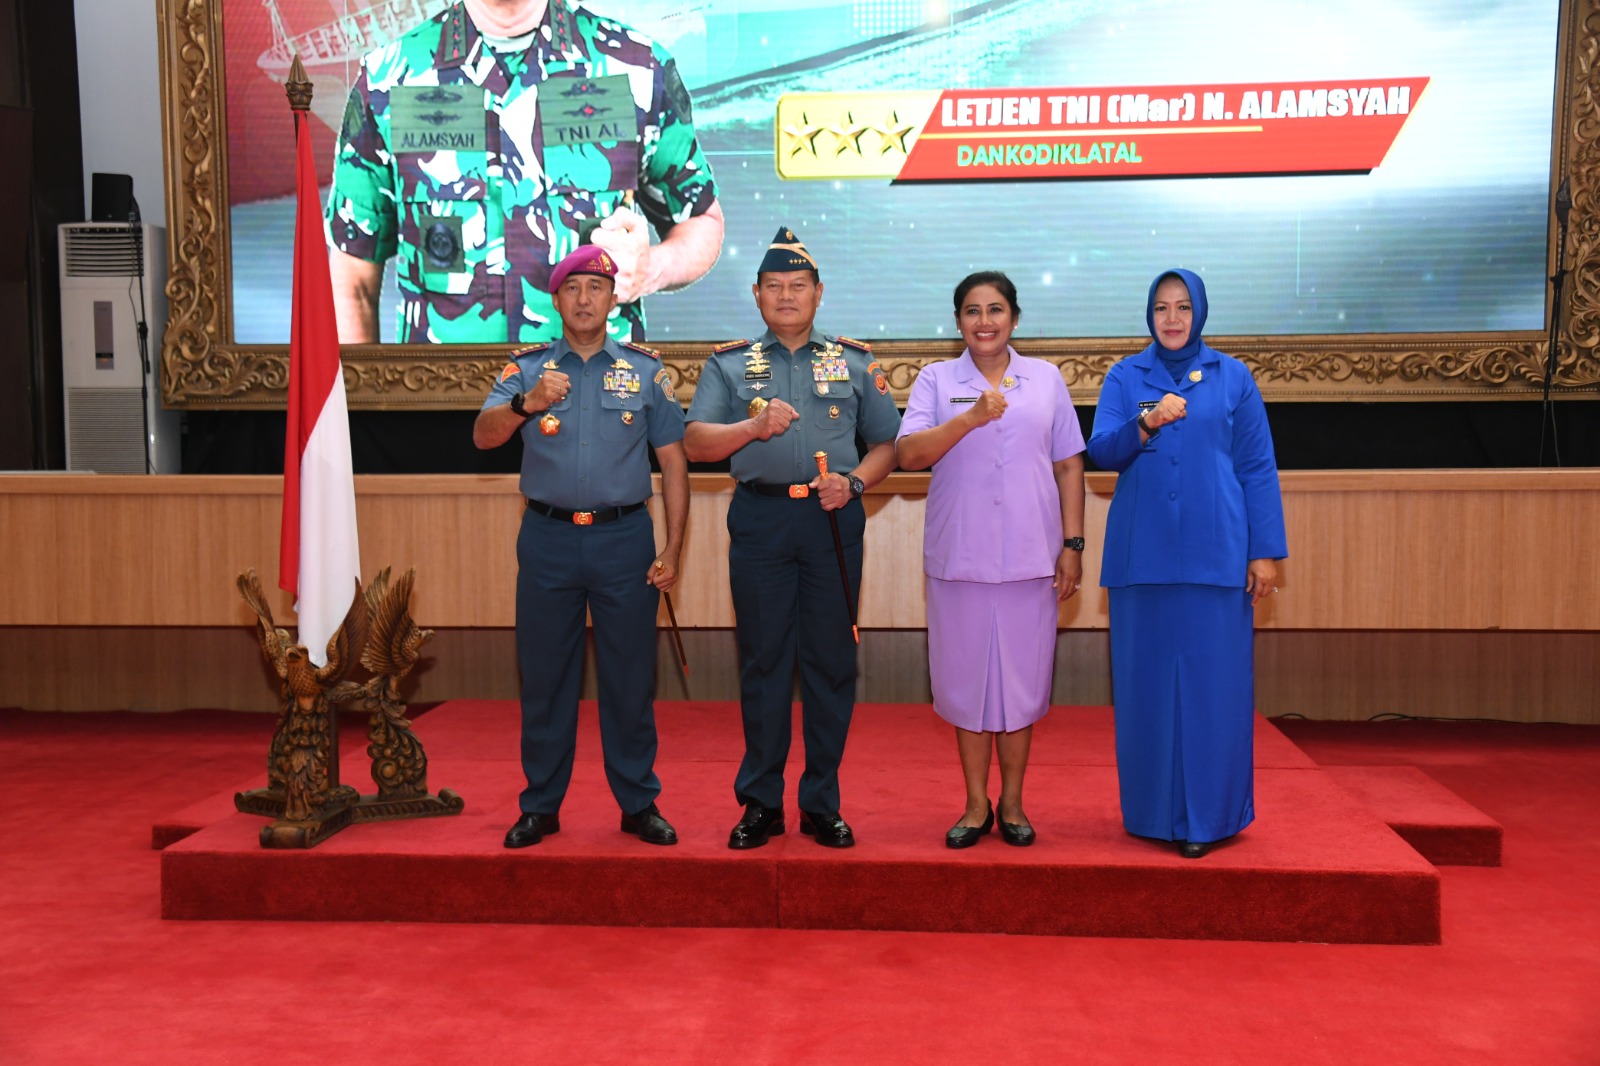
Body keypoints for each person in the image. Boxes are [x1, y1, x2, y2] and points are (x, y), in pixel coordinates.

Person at [326, 0, 725, 344]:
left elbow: (702, 221)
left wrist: (649, 270)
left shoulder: (636, 68)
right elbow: (352, 278)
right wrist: (361, 416)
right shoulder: (387, 79)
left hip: (599, 407)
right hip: (439, 406)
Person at [683, 227, 901, 849]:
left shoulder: (855, 362)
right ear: (756, 295)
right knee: (764, 662)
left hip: (832, 519)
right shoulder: (728, 365)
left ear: (818, 293)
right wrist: (751, 428)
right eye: (773, 287)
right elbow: (696, 443)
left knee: (831, 662)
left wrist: (856, 483)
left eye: (797, 287)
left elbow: (889, 445)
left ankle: (821, 803)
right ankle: (760, 803)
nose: (786, 296)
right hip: (760, 520)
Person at [473, 243, 689, 848]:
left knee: (629, 679)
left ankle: (638, 803)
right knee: (545, 679)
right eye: (574, 288)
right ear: (557, 299)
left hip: (625, 539)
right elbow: (483, 436)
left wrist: (672, 549)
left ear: (614, 298)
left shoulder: (646, 371)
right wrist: (527, 403)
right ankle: (540, 806)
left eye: (597, 288)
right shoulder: (525, 369)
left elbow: (673, 463)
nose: (586, 298)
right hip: (547, 540)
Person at [1086, 268, 1287, 859]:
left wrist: (1265, 551)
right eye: (1160, 308)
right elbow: (1102, 452)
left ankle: (1210, 819)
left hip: (1216, 556)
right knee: (1145, 692)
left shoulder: (1233, 377)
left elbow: (1256, 466)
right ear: (1148, 315)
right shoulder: (1127, 376)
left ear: (1199, 312)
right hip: (1140, 562)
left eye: (1182, 307)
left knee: (1213, 694)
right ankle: (1151, 814)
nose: (1171, 318)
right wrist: (1146, 421)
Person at [896, 272, 1086, 848]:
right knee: (967, 687)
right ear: (957, 321)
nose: (985, 321)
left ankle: (1014, 804)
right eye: (972, 311)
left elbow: (1069, 465)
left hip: (1032, 558)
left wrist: (1073, 544)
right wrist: (971, 417)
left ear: (1015, 318)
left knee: (1020, 689)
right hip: (961, 559)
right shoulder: (936, 380)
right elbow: (908, 454)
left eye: (996, 309)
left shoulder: (1047, 379)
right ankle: (976, 804)